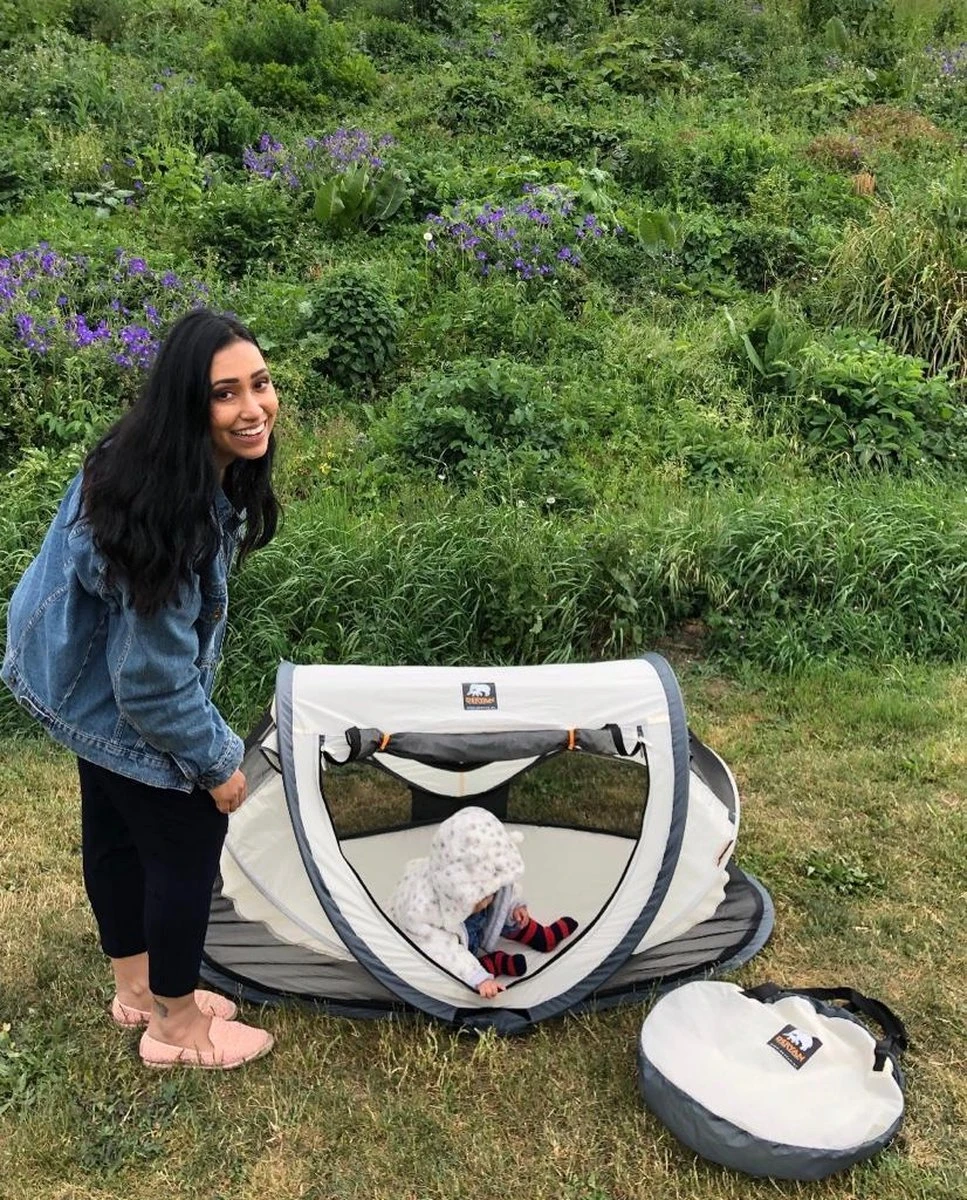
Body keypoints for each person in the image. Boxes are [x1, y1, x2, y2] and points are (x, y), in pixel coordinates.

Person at [2, 308, 280, 1069]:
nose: (252, 408)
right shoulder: (174, 518)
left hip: (74, 678)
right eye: (224, 394)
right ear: (188, 403)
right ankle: (175, 1026)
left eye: (259, 384)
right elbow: (153, 686)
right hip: (109, 690)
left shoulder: (129, 458)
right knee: (189, 837)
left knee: (116, 828)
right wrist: (218, 763)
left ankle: (136, 987)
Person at [389, 806, 578, 998]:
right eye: (482, 897)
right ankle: (491, 964)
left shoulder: (474, 871)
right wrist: (478, 978)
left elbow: (501, 882)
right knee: (461, 966)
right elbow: (445, 953)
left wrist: (515, 907)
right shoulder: (423, 912)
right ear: (460, 892)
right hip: (445, 939)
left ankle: (542, 937)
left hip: (462, 915)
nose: (489, 901)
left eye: (491, 893)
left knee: (505, 912)